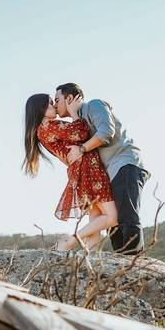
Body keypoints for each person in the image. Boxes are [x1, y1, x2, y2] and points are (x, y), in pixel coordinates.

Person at [54, 83, 150, 254]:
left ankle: (133, 263)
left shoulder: (94, 105)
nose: (55, 105)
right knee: (113, 223)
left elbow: (106, 132)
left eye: (57, 100)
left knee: (127, 215)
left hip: (124, 164)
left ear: (69, 98)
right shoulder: (78, 123)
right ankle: (121, 264)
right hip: (108, 174)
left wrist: (82, 148)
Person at [22, 92, 117, 251]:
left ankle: (91, 260)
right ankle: (69, 241)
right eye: (51, 103)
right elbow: (81, 132)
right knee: (112, 217)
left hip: (83, 170)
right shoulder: (48, 126)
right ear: (41, 108)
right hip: (87, 169)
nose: (54, 106)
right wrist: (74, 112)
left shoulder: (44, 129)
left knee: (96, 218)